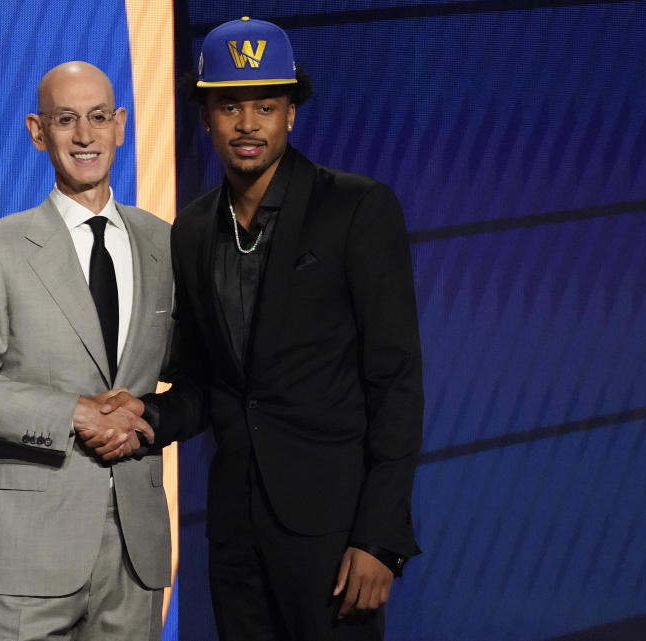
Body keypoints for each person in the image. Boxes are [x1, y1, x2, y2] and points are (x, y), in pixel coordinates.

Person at [105, 17, 424, 641]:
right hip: (234, 534)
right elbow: (206, 383)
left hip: (334, 538)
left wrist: (380, 539)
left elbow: (396, 382)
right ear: (205, 118)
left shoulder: (357, 209)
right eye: (229, 106)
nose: (248, 124)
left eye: (266, 106)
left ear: (291, 116)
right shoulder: (193, 230)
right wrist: (143, 417)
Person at [0, 61, 173, 641]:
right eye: (66, 120)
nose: (84, 136)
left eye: (96, 118)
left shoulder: (164, 242)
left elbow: (197, 372)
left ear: (121, 125)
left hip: (136, 554)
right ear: (38, 132)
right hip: (27, 554)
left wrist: (149, 417)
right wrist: (74, 413)